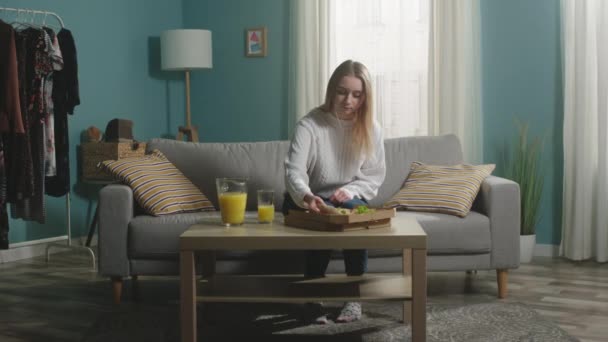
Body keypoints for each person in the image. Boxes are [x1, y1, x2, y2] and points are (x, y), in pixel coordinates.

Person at [283, 60, 386, 323]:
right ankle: (312, 295)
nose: (348, 100)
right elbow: (294, 172)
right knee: (323, 217)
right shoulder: (309, 125)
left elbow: (373, 176)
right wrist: (307, 196)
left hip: (348, 199)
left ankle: (355, 297)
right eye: (342, 91)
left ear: (365, 97)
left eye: (356, 94)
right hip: (307, 198)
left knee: (353, 218)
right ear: (331, 90)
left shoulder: (372, 129)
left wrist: (350, 190)